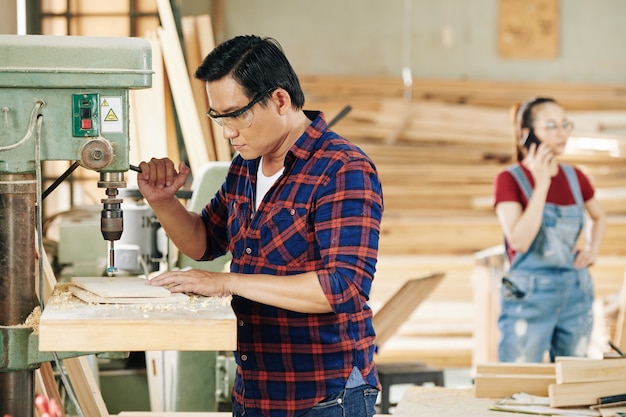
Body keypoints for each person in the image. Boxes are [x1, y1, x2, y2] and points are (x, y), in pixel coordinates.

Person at [137, 35, 384, 417]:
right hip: (257, 391)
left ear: (280, 100)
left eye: (237, 115)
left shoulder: (342, 168)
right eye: (219, 118)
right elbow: (205, 242)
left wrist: (227, 282)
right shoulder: (246, 167)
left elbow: (343, 288)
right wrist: (163, 201)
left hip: (324, 396)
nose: (228, 132)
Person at [493, 97, 606, 363]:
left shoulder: (575, 177)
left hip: (575, 292)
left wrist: (593, 249)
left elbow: (599, 217)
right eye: (552, 125)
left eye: (565, 124)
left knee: (571, 383)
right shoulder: (509, 179)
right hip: (528, 295)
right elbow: (519, 240)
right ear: (527, 134)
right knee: (517, 383)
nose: (562, 132)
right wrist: (541, 185)